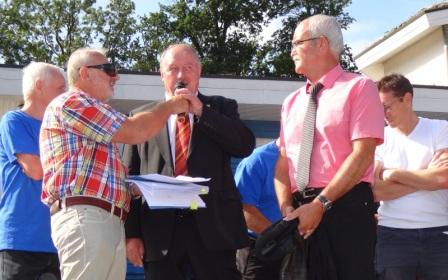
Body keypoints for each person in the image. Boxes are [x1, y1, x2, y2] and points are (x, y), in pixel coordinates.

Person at [40, 47, 199, 280]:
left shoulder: (92, 113)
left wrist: (140, 187)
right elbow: (136, 130)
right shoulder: (74, 103)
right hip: (87, 217)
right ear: (84, 73)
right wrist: (171, 106)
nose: (116, 76)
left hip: (101, 219)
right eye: (109, 69)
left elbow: (103, 175)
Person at [123, 43, 255, 280]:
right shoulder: (140, 117)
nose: (181, 75)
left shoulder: (221, 107)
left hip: (213, 232)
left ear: (199, 72)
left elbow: (244, 146)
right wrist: (131, 234)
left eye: (188, 68)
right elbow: (128, 178)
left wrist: (202, 112)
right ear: (161, 74)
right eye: (173, 69)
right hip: (160, 235)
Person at [273, 14, 384, 280]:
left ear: (321, 44)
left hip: (346, 207)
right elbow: (283, 161)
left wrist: (321, 203)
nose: (291, 51)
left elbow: (363, 154)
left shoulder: (360, 87)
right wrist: (287, 209)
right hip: (300, 213)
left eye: (296, 43)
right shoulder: (291, 102)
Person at [373, 73, 448, 280]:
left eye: (387, 106)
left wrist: (393, 174)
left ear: (407, 99)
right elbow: (376, 191)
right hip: (392, 234)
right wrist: (426, 177)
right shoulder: (379, 138)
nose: (384, 114)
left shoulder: (441, 129)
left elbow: (443, 179)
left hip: (439, 233)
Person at [0, 62, 66, 280]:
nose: (65, 94)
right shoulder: (14, 120)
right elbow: (35, 169)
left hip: (58, 237)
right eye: (60, 88)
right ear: (39, 85)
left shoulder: (61, 128)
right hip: (21, 239)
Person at [234, 139, 283, 280]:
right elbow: (245, 213)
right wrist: (283, 239)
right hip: (258, 248)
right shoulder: (256, 160)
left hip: (292, 249)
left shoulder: (308, 161)